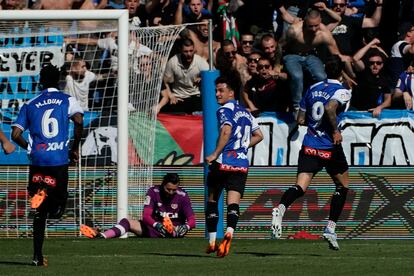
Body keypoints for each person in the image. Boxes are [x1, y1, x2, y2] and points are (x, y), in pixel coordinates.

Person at [270, 55, 351, 251]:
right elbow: (330, 108)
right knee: (343, 186)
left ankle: (280, 209)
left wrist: (314, 124)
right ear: (341, 72)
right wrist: (334, 130)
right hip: (329, 146)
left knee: (300, 187)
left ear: (324, 70)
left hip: (310, 145)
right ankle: (330, 228)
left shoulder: (312, 89)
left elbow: (299, 119)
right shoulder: (342, 91)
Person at [11, 65, 84, 266]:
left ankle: (37, 257)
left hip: (38, 161)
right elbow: (78, 120)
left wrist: (29, 148)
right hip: (58, 160)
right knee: (60, 204)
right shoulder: (66, 99)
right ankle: (52, 203)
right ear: (59, 80)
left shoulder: (30, 103)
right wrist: (74, 147)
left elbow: (15, 135)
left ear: (40, 81)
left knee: (39, 213)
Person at [205, 76, 263, 257]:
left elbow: (226, 130)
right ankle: (230, 232)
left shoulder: (224, 110)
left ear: (231, 92)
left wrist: (215, 153)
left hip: (224, 161)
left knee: (213, 200)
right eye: (215, 90)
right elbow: (259, 135)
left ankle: (213, 241)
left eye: (221, 90)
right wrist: (243, 146)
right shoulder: (246, 112)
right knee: (233, 203)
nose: (217, 94)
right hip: (241, 163)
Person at [80, 173, 196, 239]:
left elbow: (192, 221)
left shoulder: (183, 196)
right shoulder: (153, 192)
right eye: (168, 189)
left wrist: (186, 227)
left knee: (175, 230)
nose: (171, 192)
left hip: (175, 229)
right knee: (127, 222)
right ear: (162, 185)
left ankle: (173, 233)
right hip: (154, 229)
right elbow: (146, 216)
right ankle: (102, 236)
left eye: (173, 190)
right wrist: (157, 225)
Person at [282, 9, 344, 113]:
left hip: (310, 55)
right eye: (310, 26)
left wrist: (342, 73)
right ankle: (297, 107)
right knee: (297, 76)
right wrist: (276, 66)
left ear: (320, 20)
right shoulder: (294, 30)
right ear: (305, 21)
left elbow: (336, 54)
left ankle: (318, 102)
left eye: (316, 25)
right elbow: (280, 45)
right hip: (292, 55)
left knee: (322, 77)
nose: (314, 29)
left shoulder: (324, 33)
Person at [161, 38, 209, 114]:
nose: (189, 54)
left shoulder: (201, 62)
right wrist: (171, 96)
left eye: (191, 51)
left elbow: (211, 79)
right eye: (186, 51)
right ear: (180, 50)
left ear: (194, 50)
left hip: (195, 95)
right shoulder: (173, 62)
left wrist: (203, 78)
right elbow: (165, 82)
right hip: (179, 97)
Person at [350, 38, 392, 117]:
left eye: (378, 63)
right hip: (356, 111)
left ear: (382, 65)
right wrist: (371, 43)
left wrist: (380, 107)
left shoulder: (384, 79)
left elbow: (388, 100)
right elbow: (355, 58)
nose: (375, 65)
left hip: (372, 112)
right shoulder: (363, 72)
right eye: (372, 63)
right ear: (368, 64)